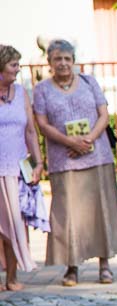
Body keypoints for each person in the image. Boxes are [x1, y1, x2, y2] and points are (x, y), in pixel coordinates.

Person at [33, 39, 117, 286]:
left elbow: (103, 115)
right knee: (68, 215)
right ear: (49, 62)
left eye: (67, 58)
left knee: (101, 210)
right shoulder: (42, 89)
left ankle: (105, 265)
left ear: (74, 61)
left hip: (96, 156)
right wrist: (69, 142)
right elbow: (42, 124)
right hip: (64, 159)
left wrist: (88, 140)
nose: (63, 63)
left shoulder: (89, 82)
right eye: (58, 59)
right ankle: (72, 267)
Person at [0, 44, 43, 291]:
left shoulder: (21, 93)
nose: (18, 69)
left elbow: (30, 131)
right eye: (13, 65)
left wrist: (38, 162)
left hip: (16, 169)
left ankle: (12, 277)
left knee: (15, 223)